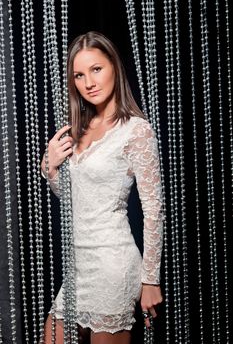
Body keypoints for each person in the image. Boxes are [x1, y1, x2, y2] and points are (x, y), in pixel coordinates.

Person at [41, 31, 164, 344]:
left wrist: (150, 280)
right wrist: (51, 167)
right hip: (78, 265)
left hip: (113, 263)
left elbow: (153, 209)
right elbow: (76, 199)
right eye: (79, 75)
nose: (89, 83)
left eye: (96, 69)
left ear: (114, 68)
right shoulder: (77, 129)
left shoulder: (136, 130)